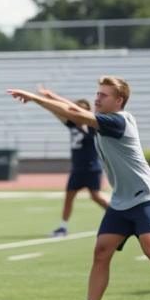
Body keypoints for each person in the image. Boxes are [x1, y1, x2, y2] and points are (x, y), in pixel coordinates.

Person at [7, 77, 150, 300]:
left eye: (104, 95)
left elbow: (74, 112)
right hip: (121, 201)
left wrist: (35, 98)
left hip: (146, 197)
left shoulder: (118, 121)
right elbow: (72, 111)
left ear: (118, 101)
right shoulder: (100, 121)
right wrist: (47, 99)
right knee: (101, 252)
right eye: (97, 94)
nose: (97, 98)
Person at [41, 93, 109, 237]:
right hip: (77, 168)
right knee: (69, 196)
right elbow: (58, 111)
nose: (77, 112)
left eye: (81, 110)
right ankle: (63, 227)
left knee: (96, 196)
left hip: (91, 167)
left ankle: (121, 217)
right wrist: (46, 100)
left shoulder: (91, 126)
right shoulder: (72, 124)